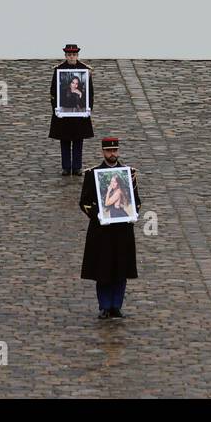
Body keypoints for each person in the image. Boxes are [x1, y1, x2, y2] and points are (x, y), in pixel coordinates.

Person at [80, 137, 141, 319]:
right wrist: (96, 215)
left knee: (121, 268)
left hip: (123, 230)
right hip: (102, 231)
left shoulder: (128, 174)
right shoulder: (93, 174)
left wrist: (133, 213)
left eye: (115, 151)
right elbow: (84, 202)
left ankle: (116, 305)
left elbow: (136, 200)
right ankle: (105, 306)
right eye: (108, 151)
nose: (112, 154)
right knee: (103, 269)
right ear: (103, 152)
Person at [49, 44, 94, 176]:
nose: (71, 57)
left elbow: (90, 93)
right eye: (69, 55)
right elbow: (53, 92)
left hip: (80, 114)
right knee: (65, 140)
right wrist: (55, 109)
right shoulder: (59, 70)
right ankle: (66, 167)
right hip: (63, 114)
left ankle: (77, 167)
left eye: (74, 55)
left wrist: (89, 108)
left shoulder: (84, 70)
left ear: (77, 55)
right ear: (65, 56)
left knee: (78, 141)